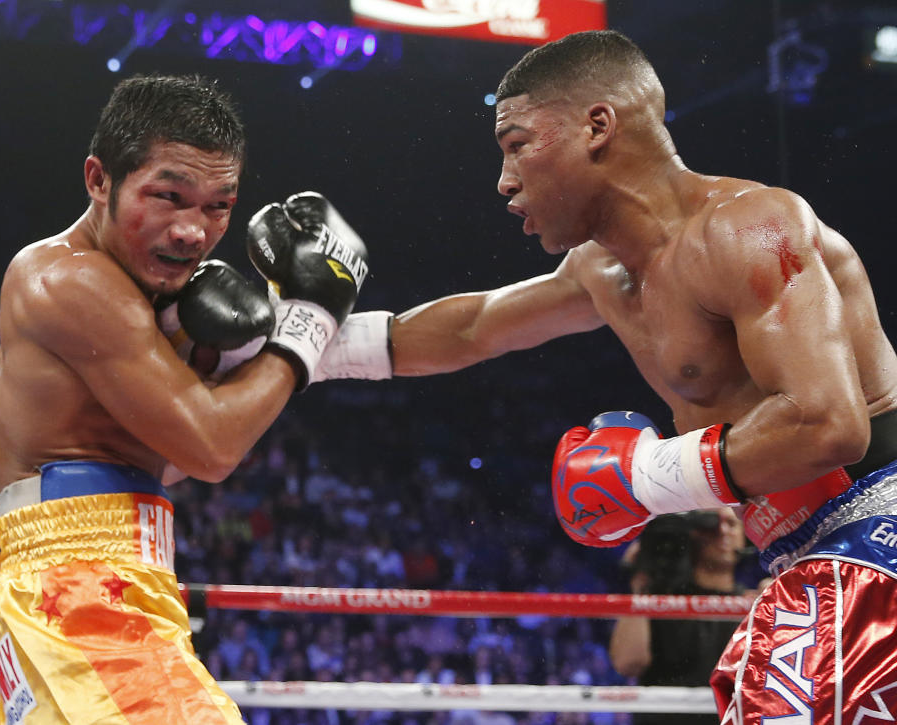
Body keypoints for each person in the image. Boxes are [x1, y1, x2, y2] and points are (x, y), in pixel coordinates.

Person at [311, 29, 897, 723]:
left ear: (597, 126)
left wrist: (646, 476)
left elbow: (828, 422)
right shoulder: (601, 271)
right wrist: (293, 344)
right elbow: (474, 326)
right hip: (808, 555)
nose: (504, 179)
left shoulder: (747, 229)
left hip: (875, 535)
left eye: (517, 142)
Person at [0, 73, 369, 723]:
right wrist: (308, 322)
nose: (194, 230)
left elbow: (394, 342)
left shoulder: (154, 305)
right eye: (169, 196)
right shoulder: (70, 279)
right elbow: (214, 445)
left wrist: (569, 293)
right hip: (82, 592)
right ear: (98, 179)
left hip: (99, 583)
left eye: (218, 206)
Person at [608, 509, 747, 724]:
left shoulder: (754, 605)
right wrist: (641, 583)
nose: (722, 531)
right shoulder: (658, 600)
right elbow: (628, 663)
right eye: (709, 524)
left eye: (731, 523)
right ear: (690, 534)